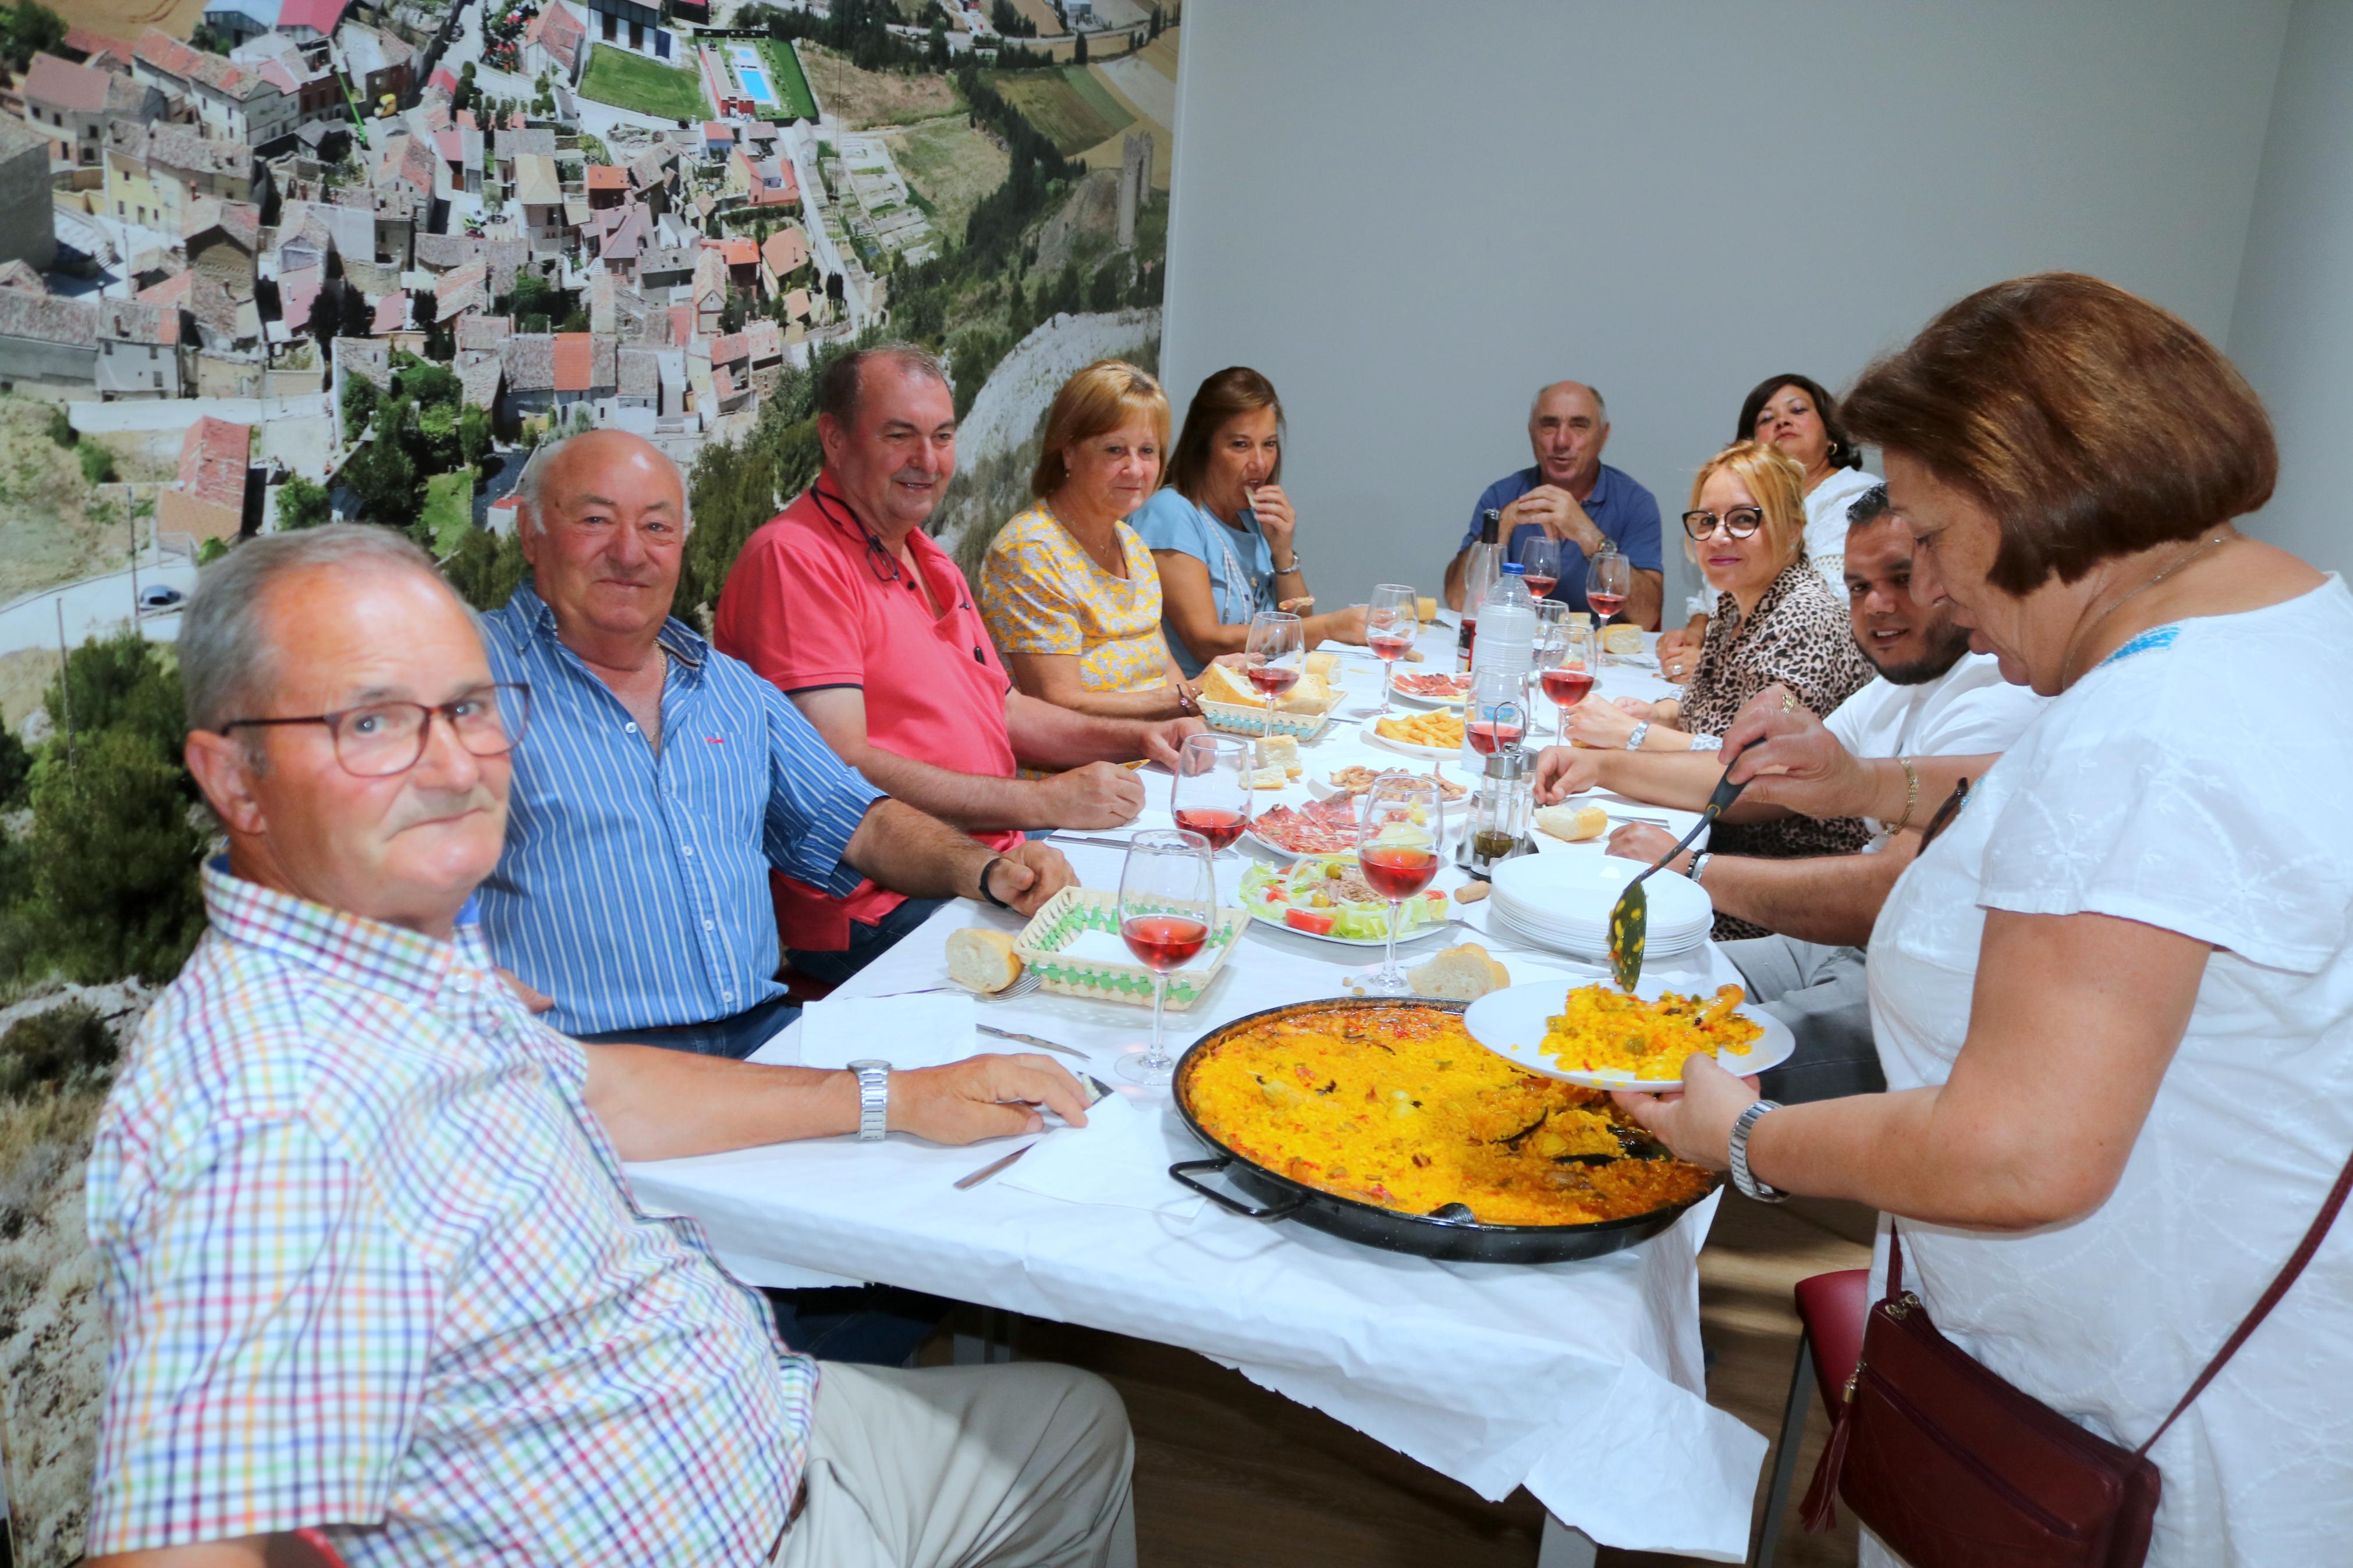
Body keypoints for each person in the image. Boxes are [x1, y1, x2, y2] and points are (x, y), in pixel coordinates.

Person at [88, 525, 1135, 1568]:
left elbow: (587, 1086)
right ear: (233, 778)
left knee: (1075, 1424)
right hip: (746, 1533)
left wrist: (895, 1095)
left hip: (766, 1426)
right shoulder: (259, 1109)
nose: (455, 765)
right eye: (372, 723)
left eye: (468, 708)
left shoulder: (392, 953)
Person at [1617, 273, 2353, 1566]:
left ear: (2024, 504)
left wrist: (1746, 1137)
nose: (1940, 594)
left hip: (2121, 1428)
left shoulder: (2138, 730)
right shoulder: (2277, 614)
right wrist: (1877, 786)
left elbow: (2019, 1153)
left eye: (1936, 536)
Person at [474, 430, 1077, 1044]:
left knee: (1027, 1061)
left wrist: (988, 870)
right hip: (588, 1066)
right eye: (596, 520)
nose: (630, 553)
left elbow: (862, 825)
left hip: (760, 1034)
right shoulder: (465, 676)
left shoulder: (731, 691)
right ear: (530, 533)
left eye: (657, 528)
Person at [1535, 485, 2043, 1100]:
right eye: (1858, 586)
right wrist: (1606, 767)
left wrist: (1691, 866)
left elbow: (1888, 890)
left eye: (1901, 577)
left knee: (1645, 1068)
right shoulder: (1899, 679)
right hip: (1838, 946)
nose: (1877, 605)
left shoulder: (1995, 695)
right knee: (1599, 989)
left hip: (1916, 982)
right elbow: (1768, 783)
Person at [712, 346, 1202, 981]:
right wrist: (1041, 800)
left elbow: (1004, 709)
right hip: (881, 903)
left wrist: (1137, 737)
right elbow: (843, 763)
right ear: (833, 438)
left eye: (942, 437)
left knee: (1181, 909)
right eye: (900, 436)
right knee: (1138, 977)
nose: (927, 460)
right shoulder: (794, 558)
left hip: (999, 863)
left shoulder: (926, 557)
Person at [1560, 440, 1875, 933]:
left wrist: (1614, 754)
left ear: (1793, 527)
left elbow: (1754, 783)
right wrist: (1662, 712)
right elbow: (1714, 711)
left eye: (1743, 519)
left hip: (1772, 883)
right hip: (1715, 844)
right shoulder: (1738, 600)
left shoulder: (1801, 618)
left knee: (1582, 914)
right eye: (1706, 521)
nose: (1718, 536)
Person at [977, 360, 1193, 719]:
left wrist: (1197, 722)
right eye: (1115, 450)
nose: (1136, 469)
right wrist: (1189, 697)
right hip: (1076, 768)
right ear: (1068, 451)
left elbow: (1164, 671)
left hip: (1150, 751)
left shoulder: (1131, 543)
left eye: (1148, 451)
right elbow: (1055, 704)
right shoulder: (1029, 551)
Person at [1134, 366, 1368, 676]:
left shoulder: (1251, 515)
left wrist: (1284, 553)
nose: (1260, 463)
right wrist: (1328, 627)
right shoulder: (1172, 512)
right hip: (1198, 701)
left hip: (1262, 690)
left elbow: (1298, 621)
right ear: (1203, 447)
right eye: (1240, 445)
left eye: (1269, 444)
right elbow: (1204, 640)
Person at [1658, 374, 1880, 682]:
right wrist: (1696, 638)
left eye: (1798, 411)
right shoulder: (1729, 606)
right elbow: (1716, 594)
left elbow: (1786, 707)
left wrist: (1720, 667)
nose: (1783, 422)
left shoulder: (1858, 497)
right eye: (1767, 418)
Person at [1443, 381, 1664, 627]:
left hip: (1597, 656)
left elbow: (1647, 617)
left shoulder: (1635, 502)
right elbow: (1458, 600)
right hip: (1512, 647)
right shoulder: (1501, 495)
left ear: (1603, 436)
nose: (1561, 440)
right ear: (1531, 432)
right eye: (1549, 426)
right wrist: (1504, 524)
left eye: (1579, 426)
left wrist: (1590, 537)